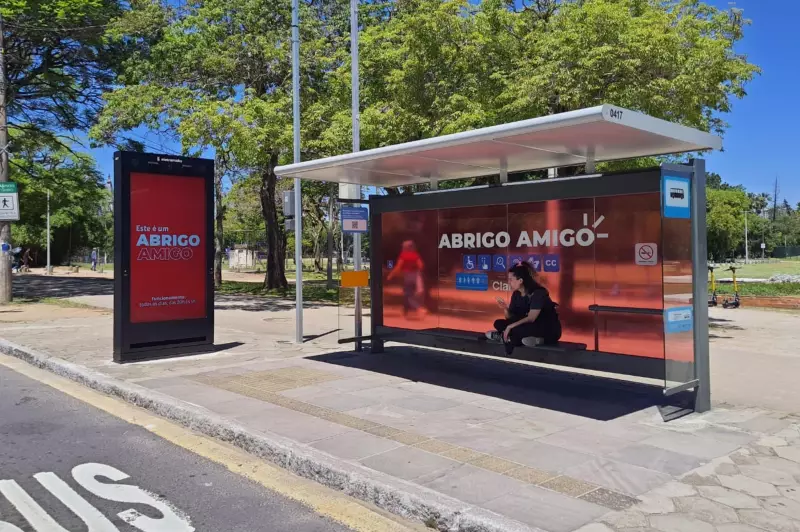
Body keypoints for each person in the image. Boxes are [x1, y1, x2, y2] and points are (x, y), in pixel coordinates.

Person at [486, 262, 561, 354]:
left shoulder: (538, 293)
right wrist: (505, 309)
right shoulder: (516, 294)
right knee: (498, 323)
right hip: (527, 327)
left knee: (517, 329)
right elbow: (511, 318)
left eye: (511, 279)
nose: (509, 282)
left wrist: (510, 327)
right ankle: (511, 337)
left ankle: (507, 337)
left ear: (520, 280)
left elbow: (531, 318)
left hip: (547, 329)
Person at [387, 240, 425, 316]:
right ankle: (405, 312)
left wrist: (391, 275)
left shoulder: (403, 255)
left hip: (408, 277)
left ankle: (419, 309)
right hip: (416, 276)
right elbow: (421, 266)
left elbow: (398, 267)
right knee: (408, 294)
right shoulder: (415, 255)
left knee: (408, 295)